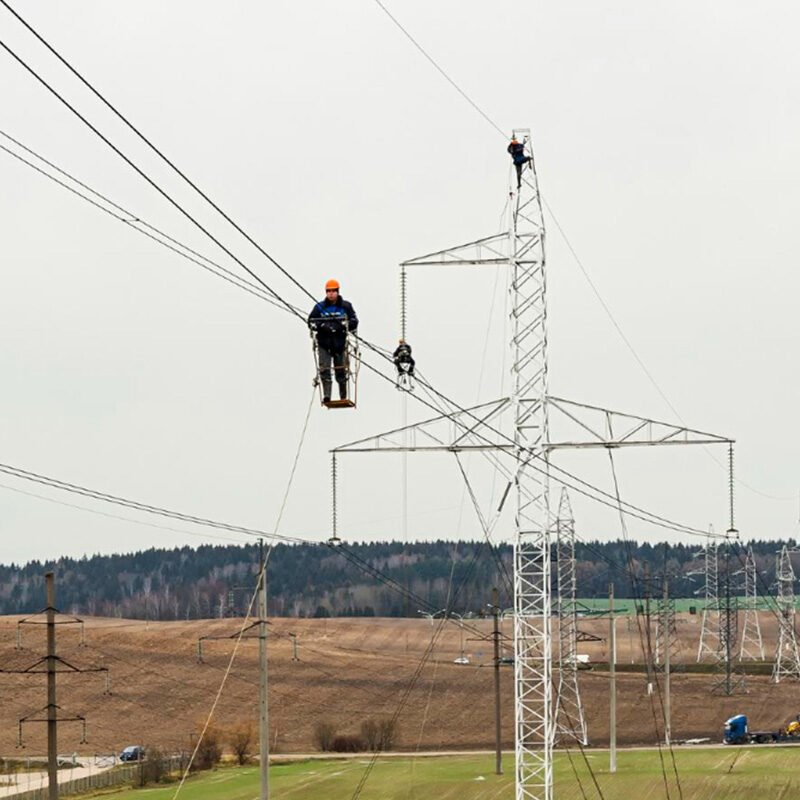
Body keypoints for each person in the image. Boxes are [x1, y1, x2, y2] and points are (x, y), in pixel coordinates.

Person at [308, 279, 359, 404]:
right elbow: (311, 320)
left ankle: (343, 395)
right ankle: (326, 395)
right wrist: (322, 326)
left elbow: (354, 321)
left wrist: (342, 325)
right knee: (324, 369)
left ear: (337, 291)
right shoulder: (320, 307)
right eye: (328, 291)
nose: (331, 294)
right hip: (324, 342)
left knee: (340, 369)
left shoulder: (346, 306)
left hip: (339, 343)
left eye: (333, 291)